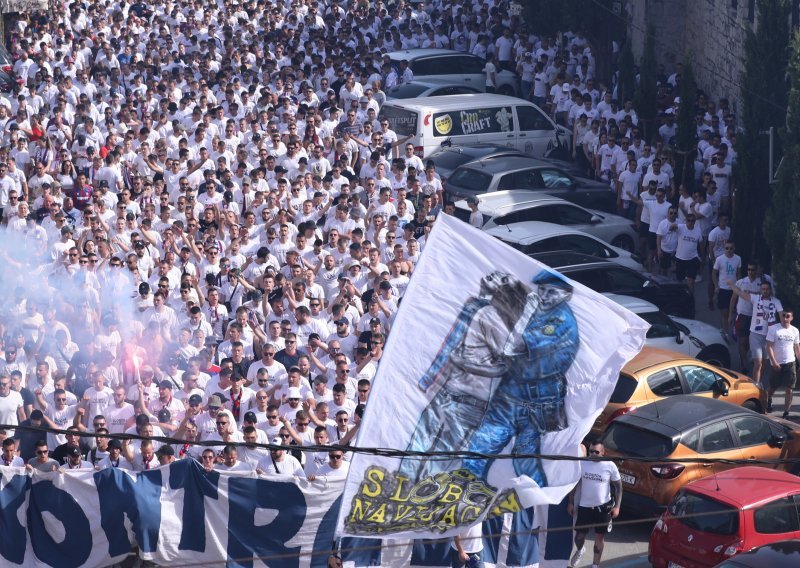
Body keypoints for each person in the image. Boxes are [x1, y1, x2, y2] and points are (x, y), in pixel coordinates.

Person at [399, 272, 527, 481]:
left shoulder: (490, 315)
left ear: (509, 295)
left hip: (465, 401)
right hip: (456, 394)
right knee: (431, 458)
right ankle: (408, 495)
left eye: (505, 280)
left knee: (432, 459)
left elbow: (512, 354)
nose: (498, 275)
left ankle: (405, 496)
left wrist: (465, 362)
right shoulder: (480, 309)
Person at [463, 270, 579, 487]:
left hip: (535, 402)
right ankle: (464, 497)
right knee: (482, 448)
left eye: (551, 292)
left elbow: (512, 346)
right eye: (542, 290)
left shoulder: (560, 319)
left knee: (521, 458)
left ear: (566, 295)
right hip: (514, 393)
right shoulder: (542, 312)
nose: (544, 296)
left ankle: (537, 505)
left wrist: (527, 310)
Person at [567, 441, 622, 568]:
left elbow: (618, 487)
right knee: (579, 537)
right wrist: (570, 502)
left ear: (603, 453)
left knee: (599, 537)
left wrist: (617, 506)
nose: (593, 454)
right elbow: (575, 484)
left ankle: (595, 565)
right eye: (591, 451)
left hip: (603, 508)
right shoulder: (583, 463)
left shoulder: (610, 465)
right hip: (584, 507)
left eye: (596, 452)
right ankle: (580, 550)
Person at [728, 278, 783, 392]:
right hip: (755, 335)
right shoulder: (755, 298)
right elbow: (740, 293)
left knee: (764, 363)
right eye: (763, 289)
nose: (765, 291)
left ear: (770, 290)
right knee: (758, 363)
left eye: (767, 289)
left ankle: (759, 381)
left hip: (769, 337)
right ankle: (755, 386)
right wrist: (731, 284)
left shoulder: (776, 301)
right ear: (760, 290)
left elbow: (782, 318)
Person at [766, 309, 800, 418]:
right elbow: (769, 347)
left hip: (790, 363)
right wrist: (774, 362)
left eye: (787, 316)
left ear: (791, 318)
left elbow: (797, 348)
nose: (785, 318)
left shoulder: (795, 331)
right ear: (780, 317)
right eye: (783, 316)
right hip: (777, 364)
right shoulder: (774, 329)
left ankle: (786, 413)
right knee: (773, 386)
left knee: (789, 389)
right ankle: (769, 399)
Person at [711, 241, 741, 339]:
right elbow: (714, 273)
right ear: (724, 249)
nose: (729, 250)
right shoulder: (720, 259)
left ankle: (730, 329)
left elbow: (738, 274)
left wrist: (739, 287)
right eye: (727, 248)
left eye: (731, 248)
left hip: (734, 289)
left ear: (734, 248)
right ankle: (725, 331)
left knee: (732, 312)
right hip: (723, 289)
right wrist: (716, 286)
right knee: (724, 311)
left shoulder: (738, 259)